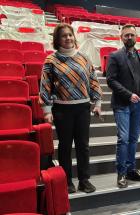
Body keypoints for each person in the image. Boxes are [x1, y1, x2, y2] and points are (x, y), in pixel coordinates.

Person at [39, 23, 102, 193]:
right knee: (65, 146)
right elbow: (45, 86)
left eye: (70, 35)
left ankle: (84, 180)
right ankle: (66, 182)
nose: (68, 38)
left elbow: (94, 81)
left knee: (83, 145)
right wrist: (47, 110)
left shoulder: (84, 58)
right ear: (57, 40)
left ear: (74, 37)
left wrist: (97, 103)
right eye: (63, 36)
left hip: (82, 108)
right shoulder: (51, 60)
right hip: (62, 110)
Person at [106, 24, 140, 188]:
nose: (129, 37)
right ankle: (121, 173)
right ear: (121, 37)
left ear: (136, 37)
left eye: (132, 35)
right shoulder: (115, 56)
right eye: (126, 35)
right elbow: (110, 80)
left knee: (133, 139)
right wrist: (128, 94)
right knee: (123, 140)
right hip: (122, 104)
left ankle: (131, 170)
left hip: (137, 106)